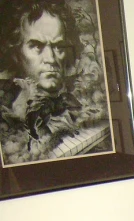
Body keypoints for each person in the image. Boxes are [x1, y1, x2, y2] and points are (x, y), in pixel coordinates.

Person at [0, 0, 83, 161]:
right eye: (37, 46)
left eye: (58, 46)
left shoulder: (70, 99)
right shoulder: (7, 106)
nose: (51, 58)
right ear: (15, 52)